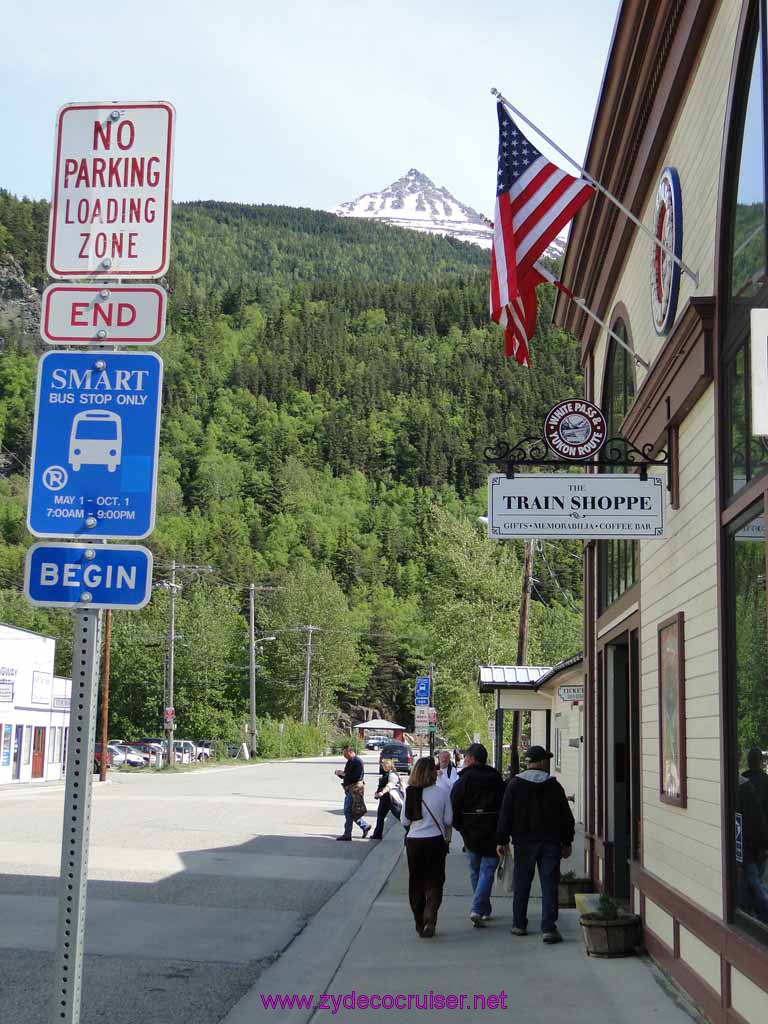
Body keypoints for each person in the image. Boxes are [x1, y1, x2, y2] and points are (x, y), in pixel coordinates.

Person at [496, 745, 575, 944]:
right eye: (546, 760)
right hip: (550, 843)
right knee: (549, 886)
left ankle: (519, 924)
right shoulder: (554, 786)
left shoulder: (515, 785)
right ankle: (548, 928)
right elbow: (566, 817)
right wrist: (567, 841)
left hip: (523, 843)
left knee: (522, 884)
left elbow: (505, 815)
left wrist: (501, 840)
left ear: (529, 762)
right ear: (540, 762)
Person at [451, 742, 506, 927]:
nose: (464, 761)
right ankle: (483, 908)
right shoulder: (496, 779)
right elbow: (505, 807)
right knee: (487, 870)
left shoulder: (463, 781)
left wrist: (461, 827)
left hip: (471, 832)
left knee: (475, 870)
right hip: (492, 831)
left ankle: (476, 908)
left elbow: (454, 806)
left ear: (472, 759)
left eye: (466, 758)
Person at [401, 756, 453, 938]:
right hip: (435, 841)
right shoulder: (442, 792)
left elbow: (404, 820)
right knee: (435, 881)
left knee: (416, 883)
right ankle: (430, 911)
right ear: (433, 772)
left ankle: (418, 921)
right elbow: (448, 820)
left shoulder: (411, 793)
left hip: (414, 842)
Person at [334, 745, 371, 841]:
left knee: (348, 810)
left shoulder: (358, 762)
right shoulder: (349, 762)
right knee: (351, 811)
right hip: (349, 788)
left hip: (355, 789)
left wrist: (344, 774)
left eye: (345, 754)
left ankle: (347, 834)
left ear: (350, 752)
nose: (344, 757)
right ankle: (364, 826)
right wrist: (340, 774)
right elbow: (346, 775)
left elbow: (356, 777)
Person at [371, 757, 404, 839]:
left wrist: (382, 792)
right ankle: (377, 835)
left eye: (384, 765)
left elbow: (390, 785)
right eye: (382, 765)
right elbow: (381, 786)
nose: (383, 766)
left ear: (389, 765)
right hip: (384, 800)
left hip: (392, 800)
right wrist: (377, 792)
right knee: (380, 817)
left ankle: (410, 831)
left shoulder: (392, 774)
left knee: (400, 816)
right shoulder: (385, 774)